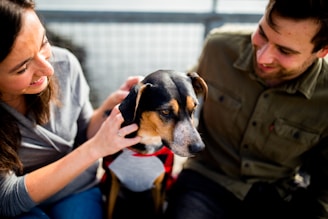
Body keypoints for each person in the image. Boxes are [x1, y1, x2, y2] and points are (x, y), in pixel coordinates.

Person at [164, 0, 328, 218]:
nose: (263, 57)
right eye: (262, 33)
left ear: (322, 50)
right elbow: (181, 96)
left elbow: (323, 185)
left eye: (285, 51)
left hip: (276, 195)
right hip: (204, 181)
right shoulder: (218, 47)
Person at [0, 0, 142, 218]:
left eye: (43, 43)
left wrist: (108, 108)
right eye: (23, 68)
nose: (48, 69)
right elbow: (6, 200)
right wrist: (95, 149)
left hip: (76, 190)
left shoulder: (65, 63)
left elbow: (84, 132)